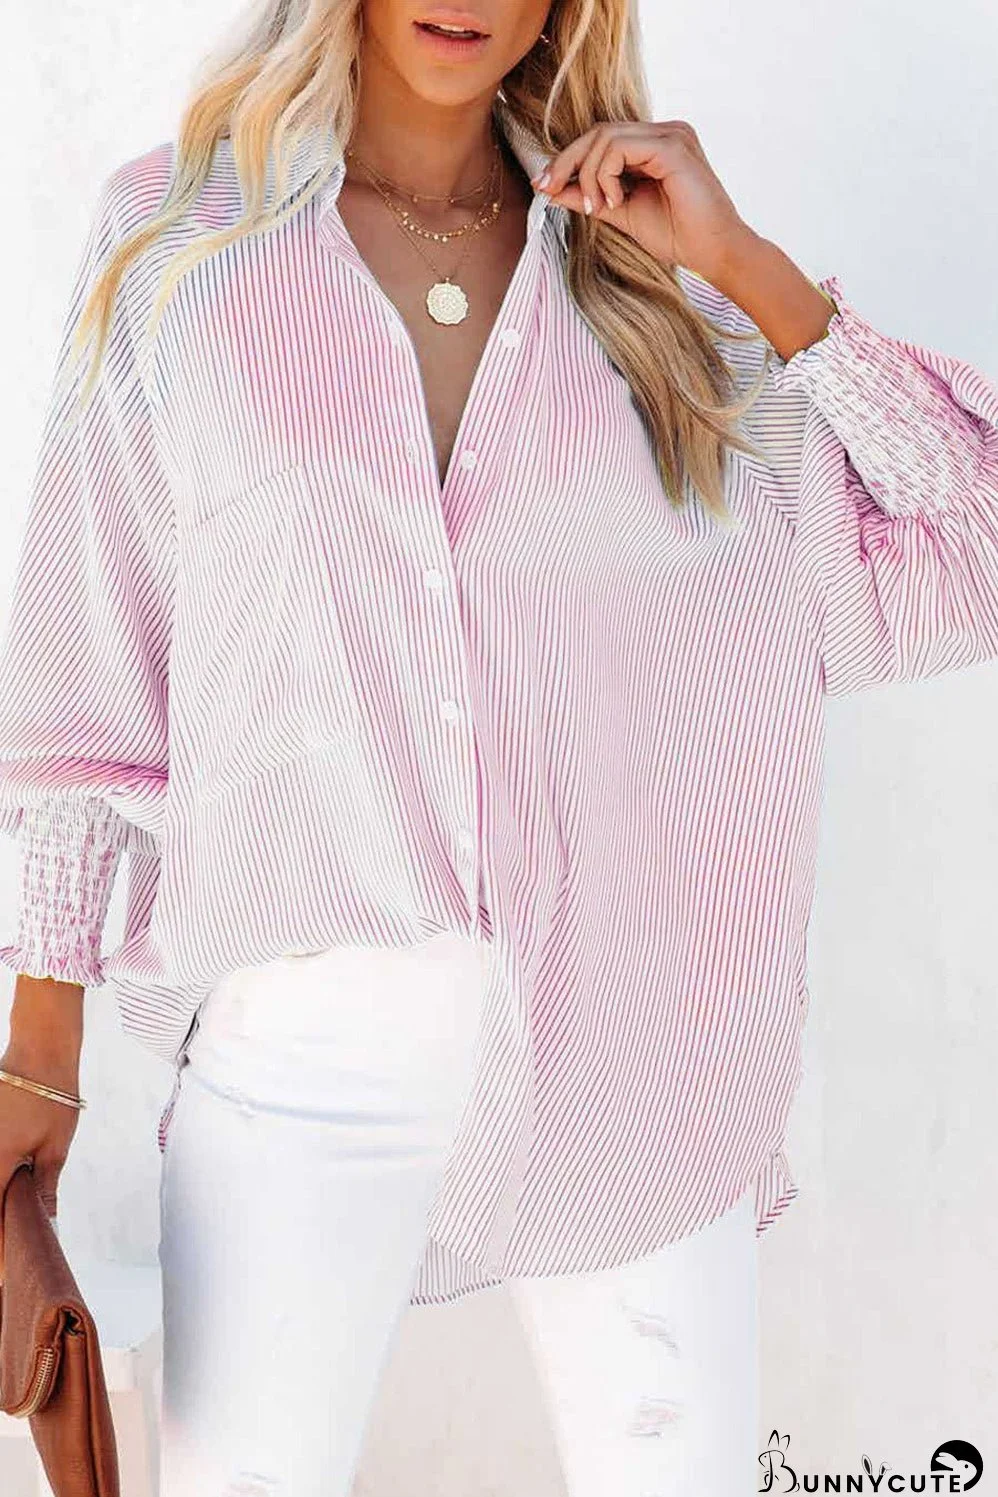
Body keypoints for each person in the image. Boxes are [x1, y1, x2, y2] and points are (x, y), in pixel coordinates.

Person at [1, 1, 996, 1494]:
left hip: (644, 1062)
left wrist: (742, 263)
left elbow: (973, 546)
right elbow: (91, 677)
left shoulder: (660, 287)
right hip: (302, 1058)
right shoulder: (181, 243)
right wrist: (41, 1065)